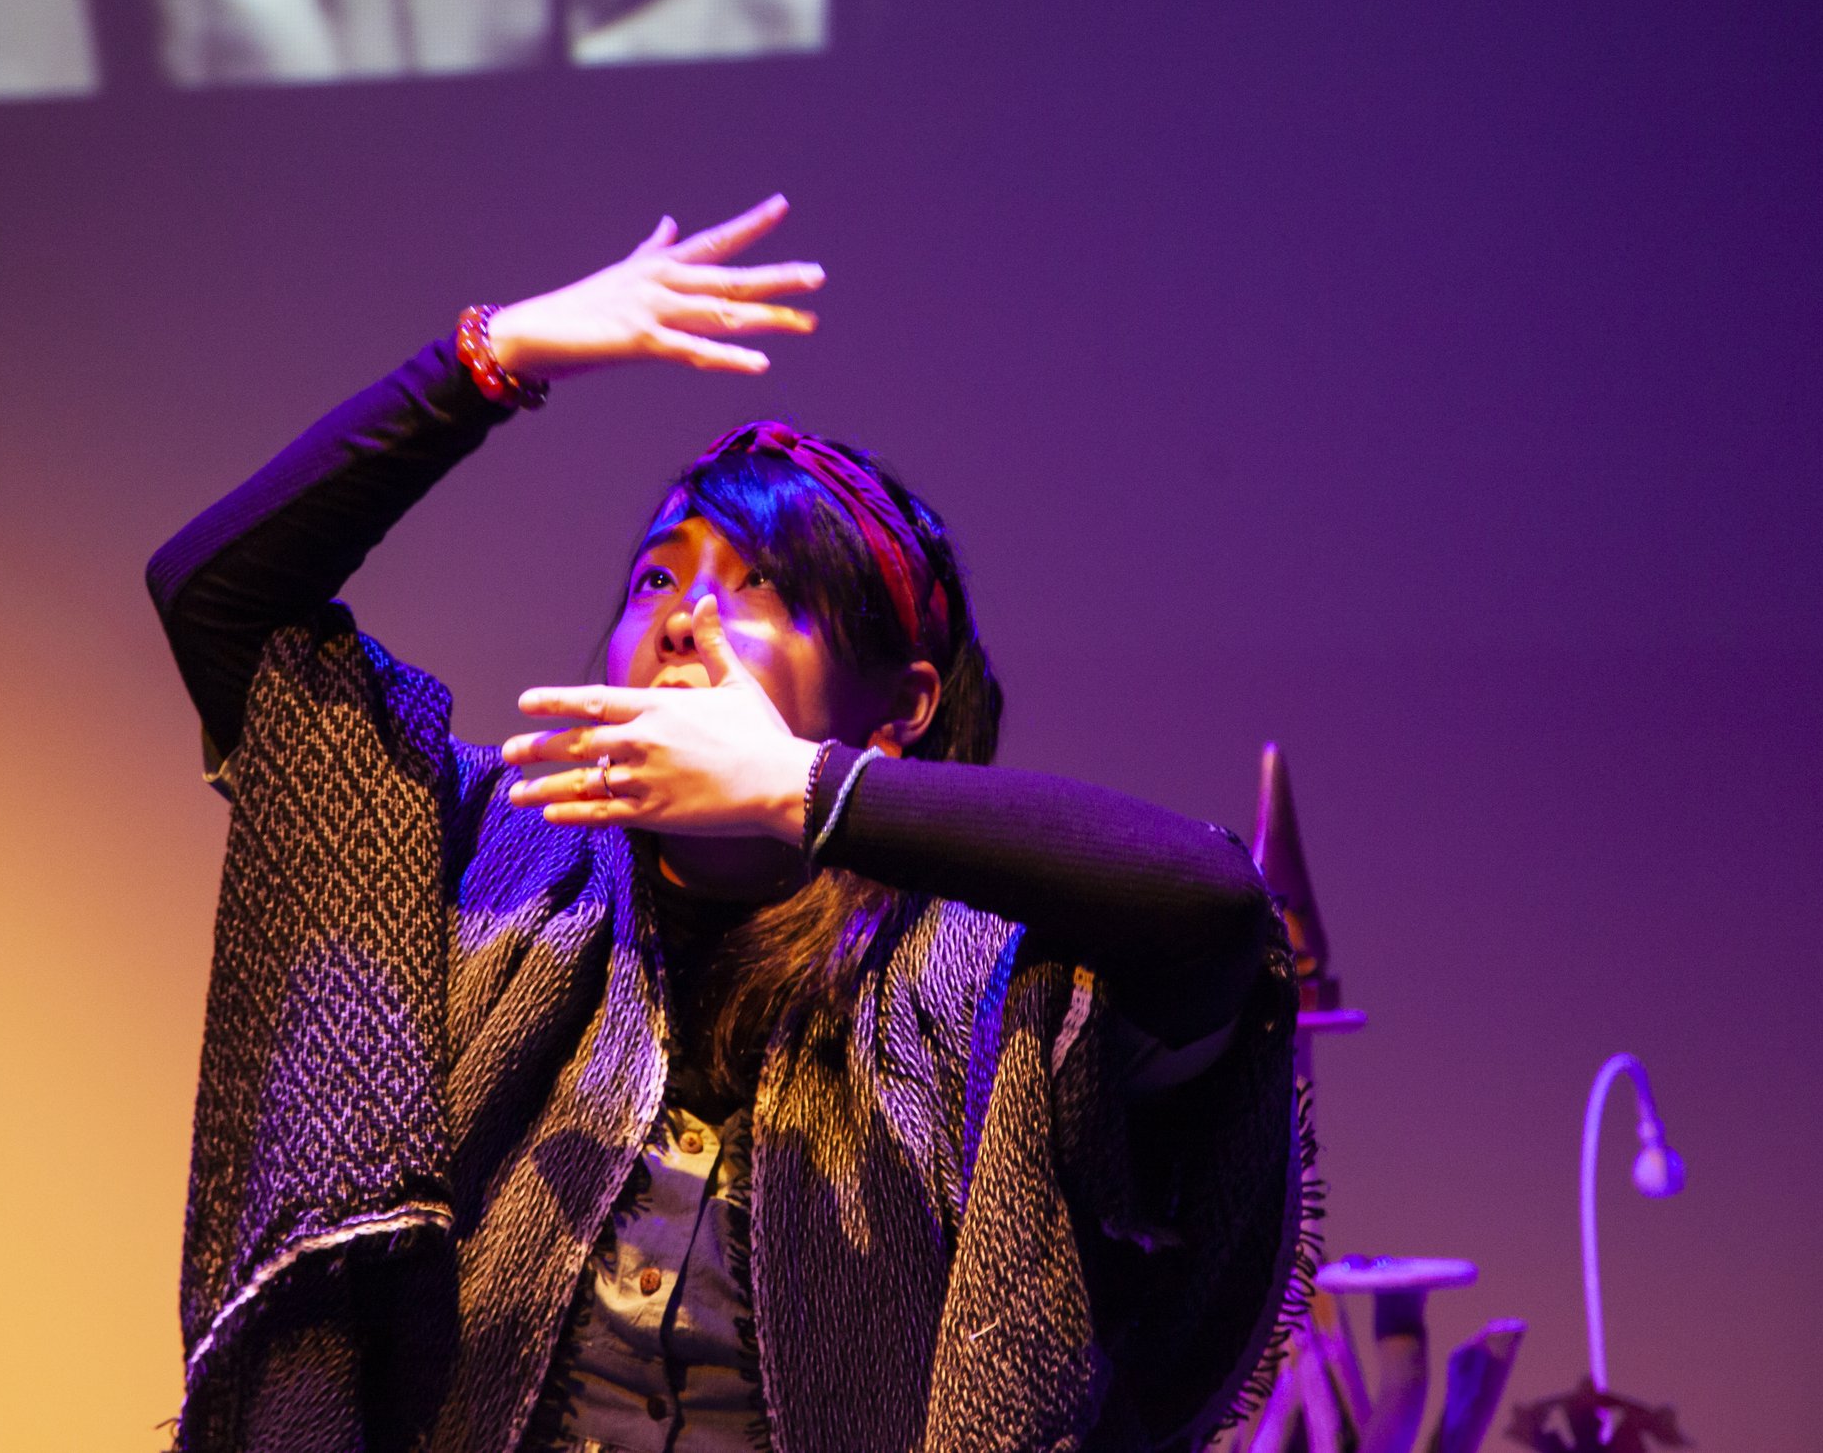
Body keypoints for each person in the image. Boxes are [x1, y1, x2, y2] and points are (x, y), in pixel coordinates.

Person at [147, 196, 1306, 1453]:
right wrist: (495, 358)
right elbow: (217, 605)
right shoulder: (482, 852)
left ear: (899, 708)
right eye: (659, 574)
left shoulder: (983, 972)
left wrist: (796, 788)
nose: (685, 614)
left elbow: (1215, 910)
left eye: (765, 586)